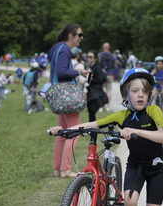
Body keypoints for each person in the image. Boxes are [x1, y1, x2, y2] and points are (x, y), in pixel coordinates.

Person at [49, 68, 163, 206]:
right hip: (136, 165)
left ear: (149, 95)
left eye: (144, 92)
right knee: (129, 201)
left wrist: (136, 132)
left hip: (156, 166)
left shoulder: (153, 111)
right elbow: (93, 125)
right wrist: (64, 130)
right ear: (126, 94)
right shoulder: (122, 116)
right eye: (135, 91)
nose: (140, 95)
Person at [47, 23, 90, 178]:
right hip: (67, 95)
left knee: (61, 133)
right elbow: (62, 72)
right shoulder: (65, 49)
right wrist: (78, 71)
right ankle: (65, 169)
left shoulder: (57, 48)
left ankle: (57, 169)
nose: (81, 38)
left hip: (60, 96)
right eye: (79, 35)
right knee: (75, 132)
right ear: (71, 36)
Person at [85, 50, 107, 122]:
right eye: (87, 57)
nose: (88, 58)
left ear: (95, 58)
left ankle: (92, 130)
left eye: (90, 57)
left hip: (95, 93)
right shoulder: (91, 66)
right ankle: (91, 129)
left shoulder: (97, 67)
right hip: (91, 92)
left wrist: (90, 79)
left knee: (92, 112)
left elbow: (100, 79)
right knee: (91, 112)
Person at [99, 42, 117, 111]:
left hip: (101, 75)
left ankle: (100, 106)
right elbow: (115, 66)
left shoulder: (100, 55)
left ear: (103, 47)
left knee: (101, 90)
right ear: (109, 48)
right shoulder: (113, 56)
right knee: (108, 91)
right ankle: (108, 107)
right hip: (109, 75)